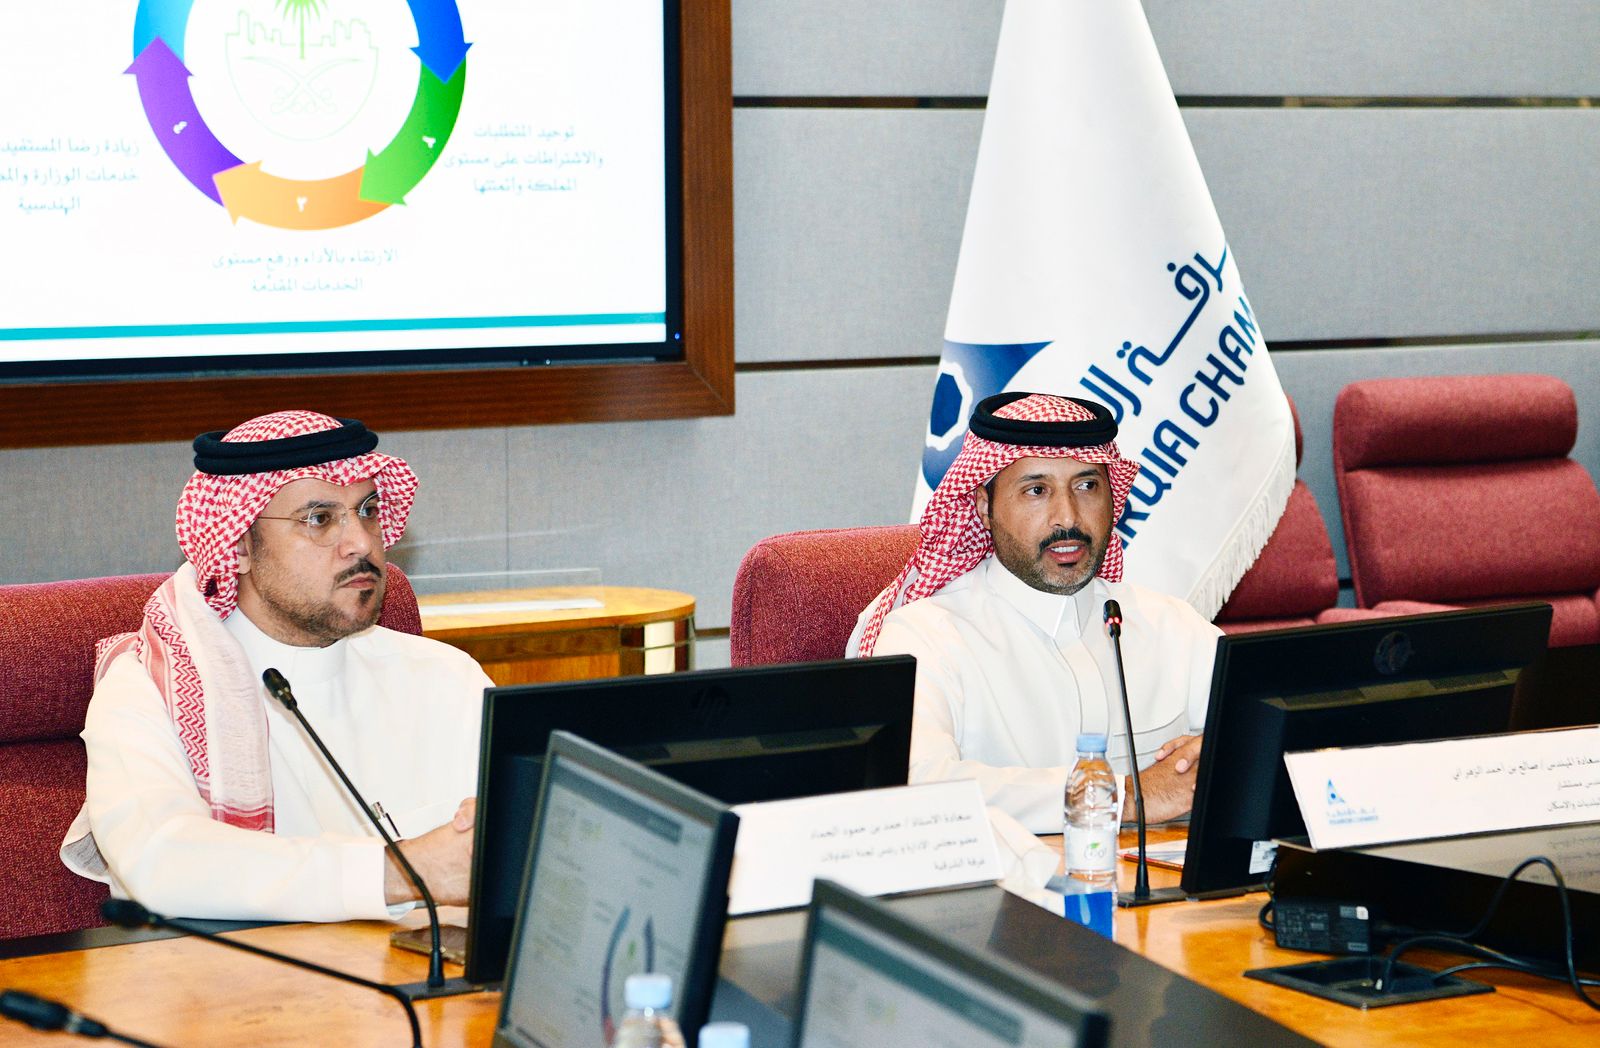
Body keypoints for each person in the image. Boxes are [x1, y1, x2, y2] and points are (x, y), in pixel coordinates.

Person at [60, 411, 493, 921]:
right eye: (319, 519)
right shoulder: (150, 689)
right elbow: (162, 861)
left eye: (368, 510)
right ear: (239, 545)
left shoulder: (447, 676)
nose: (361, 542)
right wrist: (405, 871)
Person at [849, 392, 1221, 833]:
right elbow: (917, 784)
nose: (1067, 517)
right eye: (1036, 491)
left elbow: (1273, 731)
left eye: (1087, 486)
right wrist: (1123, 798)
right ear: (984, 507)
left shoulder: (1171, 624)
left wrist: (1225, 755)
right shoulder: (926, 637)